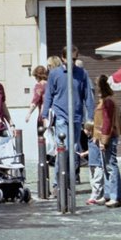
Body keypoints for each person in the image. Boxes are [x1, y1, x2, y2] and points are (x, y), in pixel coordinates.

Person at [41, 47, 94, 188]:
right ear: (63, 58)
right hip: (61, 117)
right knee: (63, 149)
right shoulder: (55, 74)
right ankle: (57, 183)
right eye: (70, 59)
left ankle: (69, 181)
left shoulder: (82, 74)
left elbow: (88, 96)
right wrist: (44, 115)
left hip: (76, 118)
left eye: (75, 59)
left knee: (74, 149)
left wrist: (91, 118)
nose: (72, 62)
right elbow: (49, 95)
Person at [93, 75, 121, 208]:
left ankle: (114, 196)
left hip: (108, 137)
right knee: (106, 166)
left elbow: (107, 122)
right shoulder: (106, 101)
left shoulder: (108, 102)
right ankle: (108, 195)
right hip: (106, 137)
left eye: (97, 85)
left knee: (111, 166)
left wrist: (104, 140)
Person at [81, 121, 105, 205]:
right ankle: (98, 196)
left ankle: (94, 197)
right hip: (91, 163)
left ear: (90, 130)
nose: (83, 130)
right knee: (92, 181)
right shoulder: (89, 139)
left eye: (85, 129)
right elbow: (91, 149)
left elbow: (101, 147)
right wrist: (84, 153)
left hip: (98, 163)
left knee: (97, 181)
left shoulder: (96, 139)